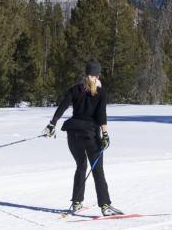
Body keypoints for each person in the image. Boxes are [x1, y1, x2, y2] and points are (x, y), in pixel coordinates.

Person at [43, 59, 123, 216]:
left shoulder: (74, 89)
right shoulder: (100, 93)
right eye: (98, 75)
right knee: (97, 171)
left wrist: (52, 124)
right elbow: (101, 115)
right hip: (90, 136)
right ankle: (105, 206)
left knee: (81, 167)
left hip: (73, 136)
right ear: (96, 76)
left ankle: (76, 203)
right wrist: (105, 134)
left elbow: (62, 106)